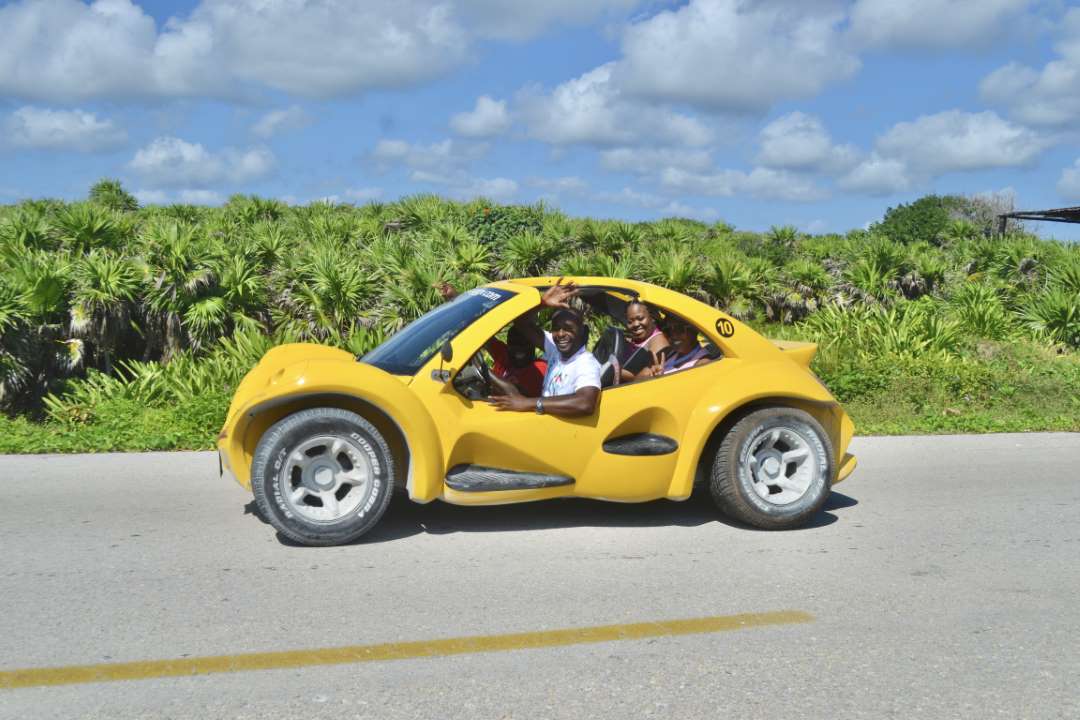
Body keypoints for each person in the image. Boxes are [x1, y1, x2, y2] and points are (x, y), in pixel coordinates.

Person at [487, 280, 601, 418]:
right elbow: (521, 324)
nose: (560, 334)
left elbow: (585, 403)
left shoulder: (585, 363)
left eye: (568, 329)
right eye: (556, 328)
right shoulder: (556, 350)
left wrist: (528, 403)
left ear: (583, 332)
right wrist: (542, 303)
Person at [436, 281, 546, 396]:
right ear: (508, 344)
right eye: (514, 343)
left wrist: (482, 369)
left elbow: (518, 396)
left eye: (524, 343)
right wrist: (455, 299)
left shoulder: (539, 368)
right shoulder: (505, 356)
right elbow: (478, 330)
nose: (518, 348)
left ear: (533, 344)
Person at [637, 317, 711, 378]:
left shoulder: (703, 363)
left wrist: (661, 380)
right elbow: (637, 379)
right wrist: (651, 374)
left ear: (694, 329)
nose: (674, 336)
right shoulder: (667, 353)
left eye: (679, 329)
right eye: (668, 331)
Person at [621, 300, 670, 382]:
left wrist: (615, 370)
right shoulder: (636, 339)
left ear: (652, 317)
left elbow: (643, 377)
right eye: (630, 322)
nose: (636, 324)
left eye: (640, 318)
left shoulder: (658, 344)